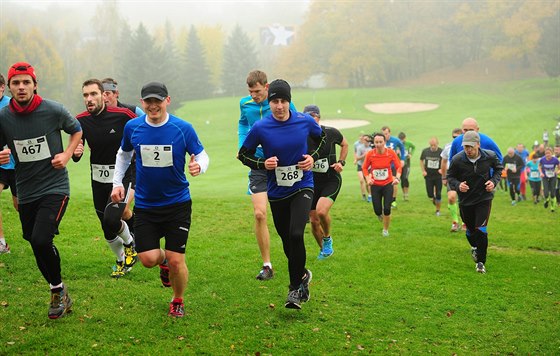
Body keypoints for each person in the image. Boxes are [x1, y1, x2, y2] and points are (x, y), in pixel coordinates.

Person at [111, 81, 209, 318]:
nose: (153, 106)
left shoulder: (182, 128)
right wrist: (116, 183)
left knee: (178, 261)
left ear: (167, 100)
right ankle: (162, 259)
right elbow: (123, 155)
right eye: (148, 101)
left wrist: (199, 166)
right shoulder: (132, 127)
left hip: (177, 204)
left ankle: (177, 299)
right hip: (146, 205)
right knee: (148, 259)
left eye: (158, 100)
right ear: (142, 102)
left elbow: (202, 154)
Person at [0, 62, 82, 318]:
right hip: (26, 190)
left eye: (26, 82)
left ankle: (57, 292)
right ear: (10, 88)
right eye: (16, 83)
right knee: (33, 240)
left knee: (40, 239)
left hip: (55, 186)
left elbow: (77, 130)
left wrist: (67, 154)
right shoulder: (3, 117)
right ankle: (59, 289)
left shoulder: (54, 110)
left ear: (35, 85)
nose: (21, 87)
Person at [238, 79, 325, 310]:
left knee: (296, 234)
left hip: (302, 186)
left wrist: (312, 157)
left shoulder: (304, 121)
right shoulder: (261, 127)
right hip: (277, 191)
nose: (279, 106)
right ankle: (303, 276)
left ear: (289, 101)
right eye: (275, 101)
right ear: (270, 102)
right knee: (288, 242)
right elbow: (243, 155)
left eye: (283, 101)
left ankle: (294, 289)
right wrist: (262, 162)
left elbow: (321, 139)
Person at [72, 79, 138, 278]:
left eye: (93, 94)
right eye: (85, 95)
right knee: (106, 225)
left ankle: (131, 245)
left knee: (112, 217)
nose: (89, 99)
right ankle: (121, 261)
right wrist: (77, 151)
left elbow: (144, 130)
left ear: (103, 95)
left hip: (125, 172)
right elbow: (76, 152)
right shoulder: (80, 120)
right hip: (98, 176)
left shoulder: (124, 115)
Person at [237, 70, 296, 281]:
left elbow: (296, 126)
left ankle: (295, 258)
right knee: (260, 214)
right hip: (260, 165)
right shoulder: (245, 104)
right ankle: (267, 265)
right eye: (251, 92)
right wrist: (243, 145)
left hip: (282, 166)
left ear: (267, 86)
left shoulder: (282, 105)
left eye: (258, 91)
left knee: (288, 219)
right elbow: (243, 123)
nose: (254, 95)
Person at [447, 131, 503, 274]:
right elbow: (450, 177)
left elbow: (498, 170)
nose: (468, 150)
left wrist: (493, 182)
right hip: (466, 201)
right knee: (471, 231)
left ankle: (480, 263)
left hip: (484, 198)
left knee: (481, 230)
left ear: (478, 144)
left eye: (471, 147)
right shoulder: (457, 159)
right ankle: (474, 247)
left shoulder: (489, 156)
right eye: (466, 147)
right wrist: (458, 185)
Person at [304, 104, 348, 260]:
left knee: (322, 211)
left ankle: (327, 239)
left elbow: (345, 144)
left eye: (314, 117)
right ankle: (324, 251)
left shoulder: (331, 132)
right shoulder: (300, 136)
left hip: (330, 179)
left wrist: (341, 162)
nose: (311, 121)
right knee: (314, 222)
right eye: (308, 118)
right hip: (311, 183)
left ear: (319, 118)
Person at [362, 133, 402, 237]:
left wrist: (397, 178)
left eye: (381, 142)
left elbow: (398, 167)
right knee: (377, 210)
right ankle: (380, 215)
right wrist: (368, 179)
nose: (378, 144)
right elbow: (365, 168)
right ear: (374, 143)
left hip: (388, 184)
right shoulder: (370, 154)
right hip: (375, 185)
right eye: (376, 142)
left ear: (384, 142)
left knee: (387, 209)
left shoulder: (391, 153)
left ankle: (385, 230)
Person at [0, 73, 18, 254]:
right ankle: (1, 243)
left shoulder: (11, 106)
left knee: (19, 206)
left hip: (18, 165)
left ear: (2, 87)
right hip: (0, 165)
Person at [440, 128, 463, 232]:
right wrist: (444, 177)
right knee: (451, 198)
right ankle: (455, 222)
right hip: (451, 174)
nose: (455, 139)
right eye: (454, 137)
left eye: (458, 137)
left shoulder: (466, 146)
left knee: (464, 199)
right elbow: (444, 162)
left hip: (464, 174)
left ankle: (465, 222)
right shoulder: (448, 146)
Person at [419, 137, 443, 215]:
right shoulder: (425, 151)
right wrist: (423, 171)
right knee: (430, 195)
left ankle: (438, 210)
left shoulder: (441, 151)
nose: (433, 147)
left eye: (434, 145)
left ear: (437, 144)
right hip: (428, 176)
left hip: (438, 176)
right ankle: (434, 200)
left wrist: (442, 169)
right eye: (431, 145)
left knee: (438, 193)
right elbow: (421, 160)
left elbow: (445, 161)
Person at [539, 146, 559, 212]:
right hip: (545, 177)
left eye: (549, 153)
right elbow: (539, 166)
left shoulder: (555, 159)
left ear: (552, 153)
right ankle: (546, 200)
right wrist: (541, 172)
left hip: (553, 177)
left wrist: (557, 172)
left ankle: (552, 208)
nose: (547, 155)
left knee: (553, 194)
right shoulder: (542, 159)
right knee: (546, 192)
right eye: (546, 153)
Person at [354, 134, 372, 202]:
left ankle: (370, 195)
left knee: (368, 182)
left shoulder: (371, 147)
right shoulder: (360, 147)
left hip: (369, 167)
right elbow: (357, 158)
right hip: (360, 165)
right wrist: (364, 155)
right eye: (364, 139)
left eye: (367, 139)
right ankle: (364, 195)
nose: (366, 141)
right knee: (361, 180)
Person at [397, 131, 415, 201]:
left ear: (405, 138)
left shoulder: (408, 143)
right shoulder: (397, 144)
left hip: (407, 163)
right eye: (400, 140)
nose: (401, 141)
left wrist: (411, 154)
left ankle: (407, 193)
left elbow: (413, 147)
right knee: (401, 179)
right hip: (399, 164)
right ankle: (404, 194)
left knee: (405, 177)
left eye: (403, 139)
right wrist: (396, 152)